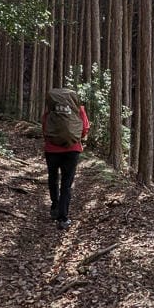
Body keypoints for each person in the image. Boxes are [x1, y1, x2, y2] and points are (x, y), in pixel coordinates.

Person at [42, 89, 90, 230]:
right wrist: (76, 139)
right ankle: (63, 219)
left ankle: (54, 207)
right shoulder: (78, 109)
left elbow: (44, 126)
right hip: (72, 150)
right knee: (66, 183)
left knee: (53, 177)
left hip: (51, 150)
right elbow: (85, 127)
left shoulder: (51, 109)